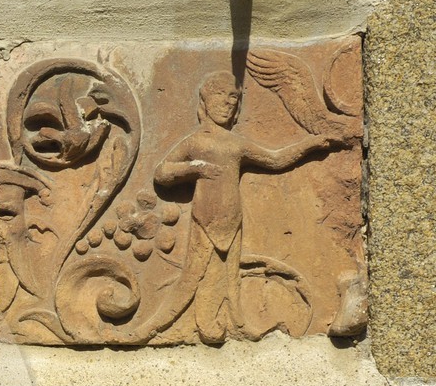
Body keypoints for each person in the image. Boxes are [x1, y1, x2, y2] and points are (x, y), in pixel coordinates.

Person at [143, 70, 343, 343]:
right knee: (193, 275)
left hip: (232, 220)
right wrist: (195, 168)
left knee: (230, 277)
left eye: (233, 98)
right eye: (220, 96)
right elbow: (162, 172)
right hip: (205, 218)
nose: (227, 103)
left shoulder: (236, 143)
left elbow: (274, 159)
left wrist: (309, 144)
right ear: (204, 101)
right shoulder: (197, 141)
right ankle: (160, 325)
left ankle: (234, 323)